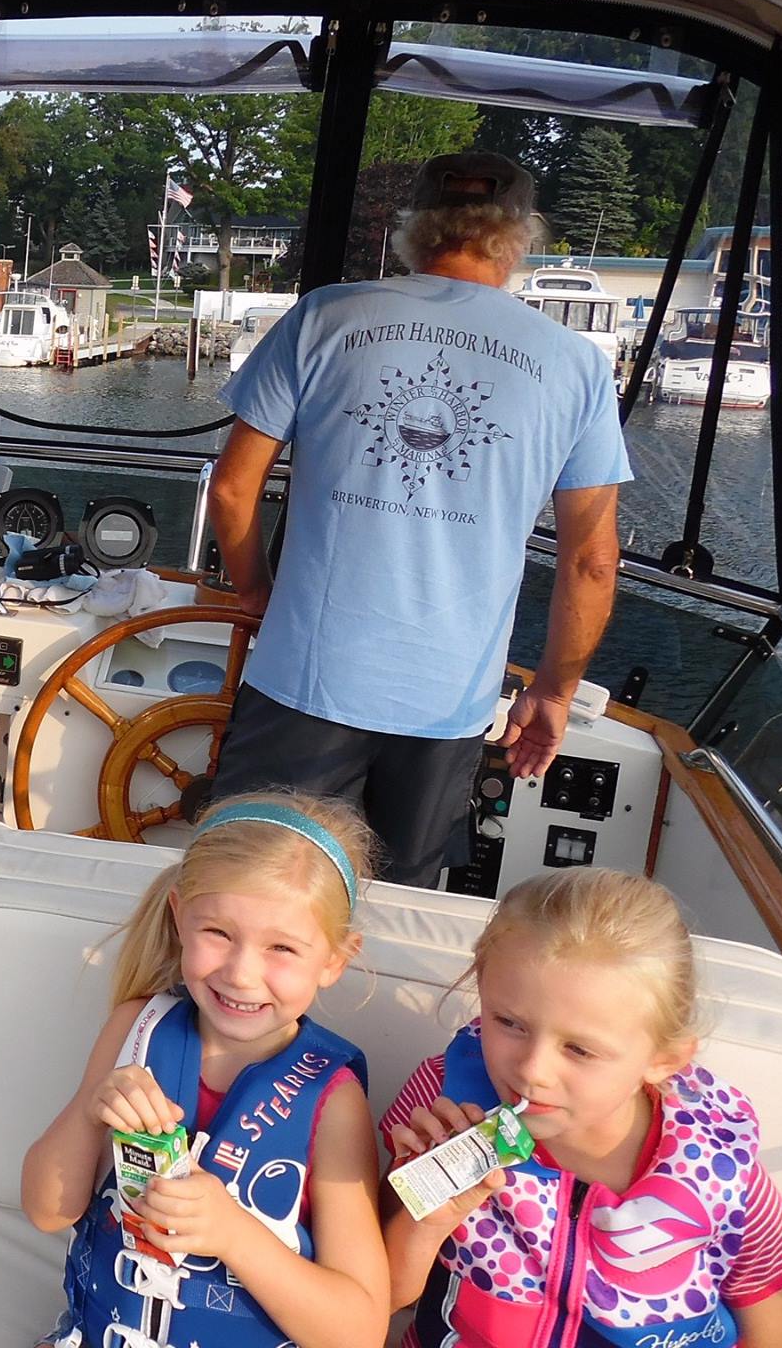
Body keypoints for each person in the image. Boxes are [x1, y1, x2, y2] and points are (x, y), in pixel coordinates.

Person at [190, 152, 631, 886]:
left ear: (416, 227)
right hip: (448, 704)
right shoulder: (577, 366)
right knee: (398, 907)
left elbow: (234, 491)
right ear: (521, 236)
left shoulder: (326, 316)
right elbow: (592, 562)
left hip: (304, 679)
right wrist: (553, 691)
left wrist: (259, 593)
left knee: (250, 887)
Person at [382, 868, 782, 1348]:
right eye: (508, 1022)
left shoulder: (720, 1164)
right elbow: (385, 1296)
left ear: (662, 1060)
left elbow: (776, 1323)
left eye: (580, 1049)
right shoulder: (441, 1101)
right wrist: (429, 1217)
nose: (533, 1070)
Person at [21, 794, 389, 1348]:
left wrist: (233, 1234)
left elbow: (359, 1333)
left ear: (334, 960)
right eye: (218, 933)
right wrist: (91, 1112)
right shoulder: (134, 1030)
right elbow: (46, 1211)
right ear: (180, 917)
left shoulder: (332, 1100)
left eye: (282, 948)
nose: (241, 973)